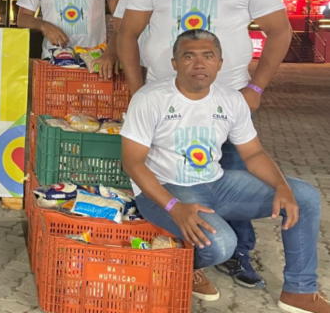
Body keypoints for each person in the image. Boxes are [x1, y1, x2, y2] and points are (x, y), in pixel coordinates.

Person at [118, 0, 293, 289]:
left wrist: (257, 87)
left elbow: (280, 32)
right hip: (166, 103)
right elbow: (127, 34)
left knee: (231, 178)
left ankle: (238, 253)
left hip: (227, 103)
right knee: (174, 183)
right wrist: (137, 92)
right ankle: (186, 249)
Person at [121, 30, 326, 312]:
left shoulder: (230, 99)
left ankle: (298, 291)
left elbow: (253, 153)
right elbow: (132, 162)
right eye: (189, 56)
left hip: (218, 184)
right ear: (174, 63)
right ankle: (182, 265)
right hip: (167, 190)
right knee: (220, 246)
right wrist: (174, 207)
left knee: (304, 196)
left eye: (208, 56)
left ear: (220, 63)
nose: (199, 64)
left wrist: (282, 188)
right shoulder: (150, 99)